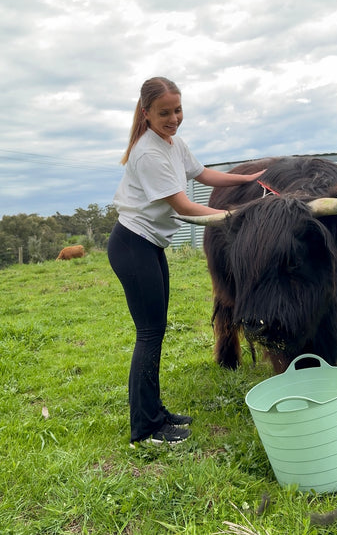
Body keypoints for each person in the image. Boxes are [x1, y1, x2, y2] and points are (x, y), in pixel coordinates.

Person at [107, 77, 264, 447]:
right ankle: (145, 429)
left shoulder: (173, 144)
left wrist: (251, 176)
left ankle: (155, 412)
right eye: (164, 113)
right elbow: (184, 206)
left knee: (155, 331)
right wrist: (237, 216)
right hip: (133, 245)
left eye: (178, 110)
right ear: (145, 113)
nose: (174, 118)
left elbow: (205, 174)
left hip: (149, 245)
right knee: (149, 334)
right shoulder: (148, 153)